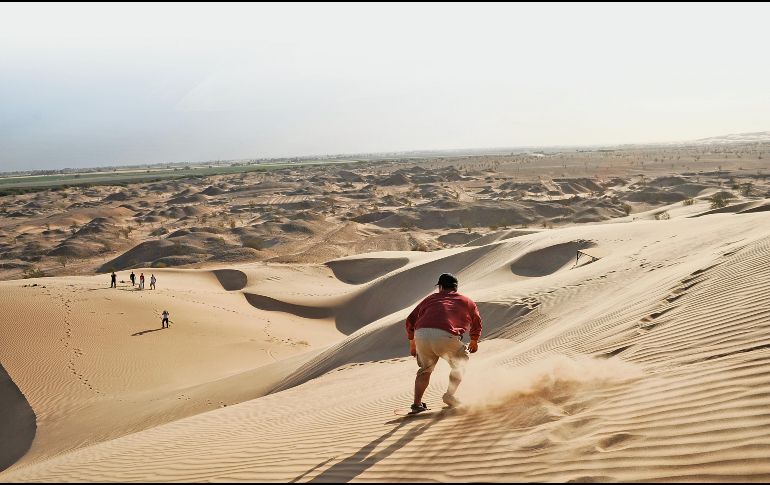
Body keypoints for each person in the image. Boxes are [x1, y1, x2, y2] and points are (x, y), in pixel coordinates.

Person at [405, 273, 482, 413]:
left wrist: (412, 344)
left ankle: (416, 404)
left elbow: (410, 320)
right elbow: (476, 320)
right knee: (461, 362)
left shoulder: (429, 299)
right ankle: (449, 396)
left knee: (425, 371)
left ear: (440, 287)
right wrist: (474, 340)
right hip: (445, 335)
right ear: (456, 288)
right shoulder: (466, 301)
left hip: (421, 334)